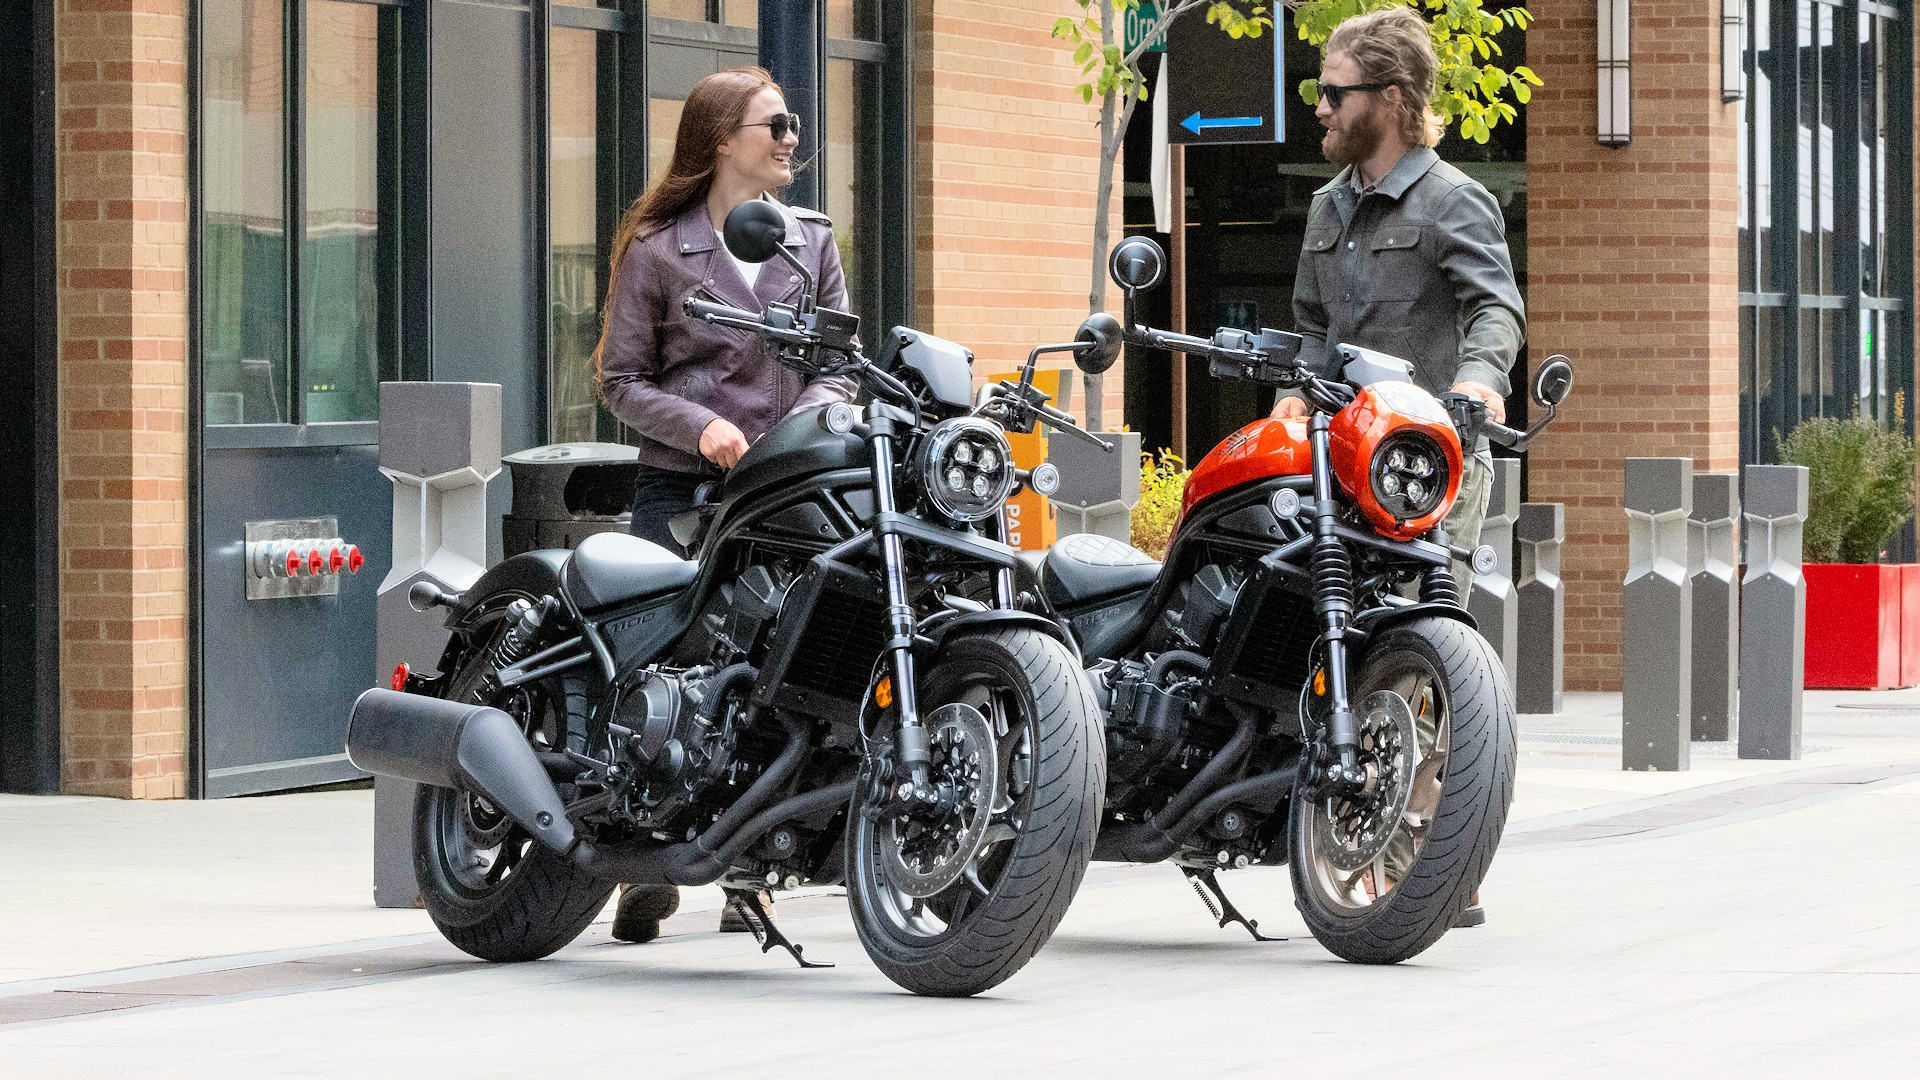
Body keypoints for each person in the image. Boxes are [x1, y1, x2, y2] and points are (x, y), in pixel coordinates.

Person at [1270, 6, 1525, 928]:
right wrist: (1289, 400)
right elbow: (1309, 329)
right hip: (1337, 458)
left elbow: (1496, 311)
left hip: (1427, 465)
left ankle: (1438, 860)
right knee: (1329, 629)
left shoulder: (1455, 200)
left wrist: (1480, 379)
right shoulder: (1327, 205)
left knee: (1425, 653)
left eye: (1334, 93)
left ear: (1393, 97)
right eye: (1320, 93)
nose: (1321, 110)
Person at [594, 67, 857, 944]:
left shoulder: (809, 240)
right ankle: (639, 858)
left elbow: (839, 361)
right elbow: (619, 380)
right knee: (660, 664)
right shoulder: (660, 249)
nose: (791, 137)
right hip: (682, 490)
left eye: (793, 123)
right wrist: (701, 424)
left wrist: (811, 422)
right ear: (720, 139)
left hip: (784, 492)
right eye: (774, 123)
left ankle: (754, 861)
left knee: (780, 665)